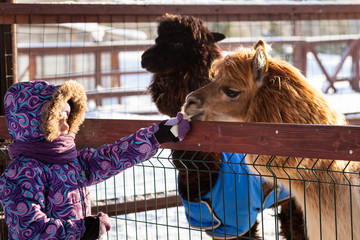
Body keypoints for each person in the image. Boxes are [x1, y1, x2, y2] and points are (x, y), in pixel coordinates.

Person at [0, 80, 190, 240]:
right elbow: (28, 230)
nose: (66, 127)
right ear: (35, 124)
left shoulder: (70, 162)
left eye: (68, 117)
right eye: (58, 119)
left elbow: (112, 156)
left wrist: (156, 136)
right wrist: (83, 230)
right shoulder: (23, 173)